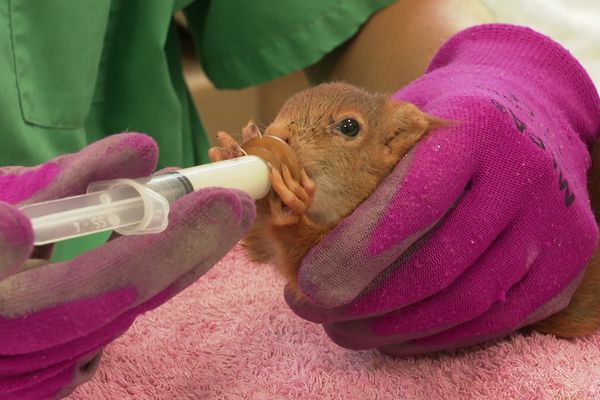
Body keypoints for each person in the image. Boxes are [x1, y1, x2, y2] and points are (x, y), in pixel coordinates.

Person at [2, 0, 598, 398]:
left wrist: (500, 72)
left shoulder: (387, 154)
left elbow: (358, 11)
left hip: (170, 237)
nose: (282, 144)